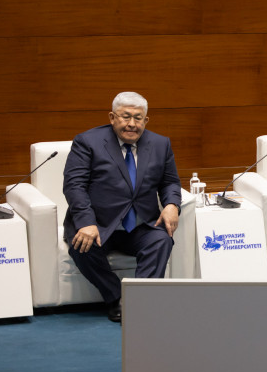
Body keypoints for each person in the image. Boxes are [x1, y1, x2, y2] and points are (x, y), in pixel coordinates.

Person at [63, 92, 181, 322]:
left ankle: (139, 300)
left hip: (140, 224)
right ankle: (116, 298)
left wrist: (171, 204)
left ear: (146, 121)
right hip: (99, 222)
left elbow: (170, 182)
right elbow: (74, 185)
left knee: (161, 240)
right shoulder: (87, 142)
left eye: (138, 118)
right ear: (112, 117)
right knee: (81, 246)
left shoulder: (160, 143)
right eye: (125, 116)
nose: (131, 124)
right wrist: (86, 222)